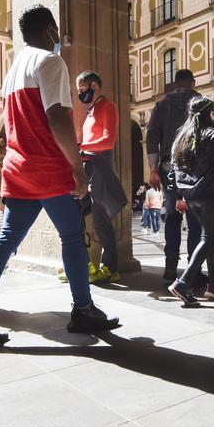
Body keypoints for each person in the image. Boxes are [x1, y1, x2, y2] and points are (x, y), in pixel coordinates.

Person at [0, 5, 120, 343]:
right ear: (50, 30)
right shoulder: (50, 61)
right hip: (46, 166)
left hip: (18, 167)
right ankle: (83, 310)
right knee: (72, 237)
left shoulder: (14, 69)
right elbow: (57, 117)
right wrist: (76, 168)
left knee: (6, 238)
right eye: (56, 31)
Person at [167, 96, 214, 307]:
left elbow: (174, 169)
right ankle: (183, 282)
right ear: (210, 113)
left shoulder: (181, 136)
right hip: (208, 194)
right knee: (209, 238)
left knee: (212, 237)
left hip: (190, 195)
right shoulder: (213, 134)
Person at [146, 69, 204, 282]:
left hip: (168, 168)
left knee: (172, 217)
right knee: (195, 219)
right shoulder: (203, 103)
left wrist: (153, 169)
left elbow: (152, 137)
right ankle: (193, 269)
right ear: (193, 82)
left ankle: (170, 268)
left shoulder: (161, 105)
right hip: (196, 170)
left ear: (174, 83)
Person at [77, 70, 127, 284]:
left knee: (101, 221)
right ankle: (81, 264)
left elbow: (108, 141)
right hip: (88, 168)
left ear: (94, 86)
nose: (81, 94)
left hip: (100, 168)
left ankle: (110, 268)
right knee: (76, 216)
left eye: (82, 89)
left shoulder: (108, 106)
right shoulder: (91, 110)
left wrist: (80, 147)